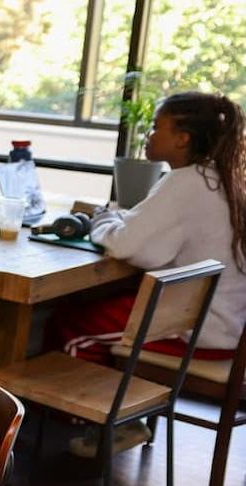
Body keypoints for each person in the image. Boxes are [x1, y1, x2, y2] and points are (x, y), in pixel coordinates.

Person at [48, 92, 246, 457]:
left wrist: (103, 218)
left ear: (183, 138)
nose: (149, 135)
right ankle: (121, 415)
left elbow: (129, 246)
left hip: (199, 333)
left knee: (72, 327)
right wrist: (122, 222)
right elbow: (152, 237)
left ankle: (105, 425)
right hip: (228, 327)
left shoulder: (184, 183)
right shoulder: (223, 181)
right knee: (93, 307)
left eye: (157, 127)